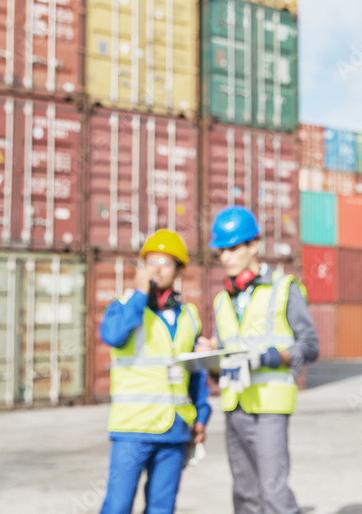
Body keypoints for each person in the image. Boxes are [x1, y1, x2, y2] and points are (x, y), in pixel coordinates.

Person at [196, 205, 319, 514]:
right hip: (234, 406)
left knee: (274, 495)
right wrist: (209, 357)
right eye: (221, 251)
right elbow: (223, 361)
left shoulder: (284, 288)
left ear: (254, 245)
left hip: (270, 407)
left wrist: (270, 356)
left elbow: (311, 346)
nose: (225, 257)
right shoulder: (221, 300)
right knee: (245, 496)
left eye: (233, 248)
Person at [98, 229, 209, 514]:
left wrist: (200, 415)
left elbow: (194, 372)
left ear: (179, 270)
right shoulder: (123, 308)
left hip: (174, 431)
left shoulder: (189, 316)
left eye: (166, 262)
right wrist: (139, 294)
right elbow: (112, 335)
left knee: (162, 508)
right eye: (152, 261)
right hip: (132, 430)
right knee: (117, 506)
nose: (157, 268)